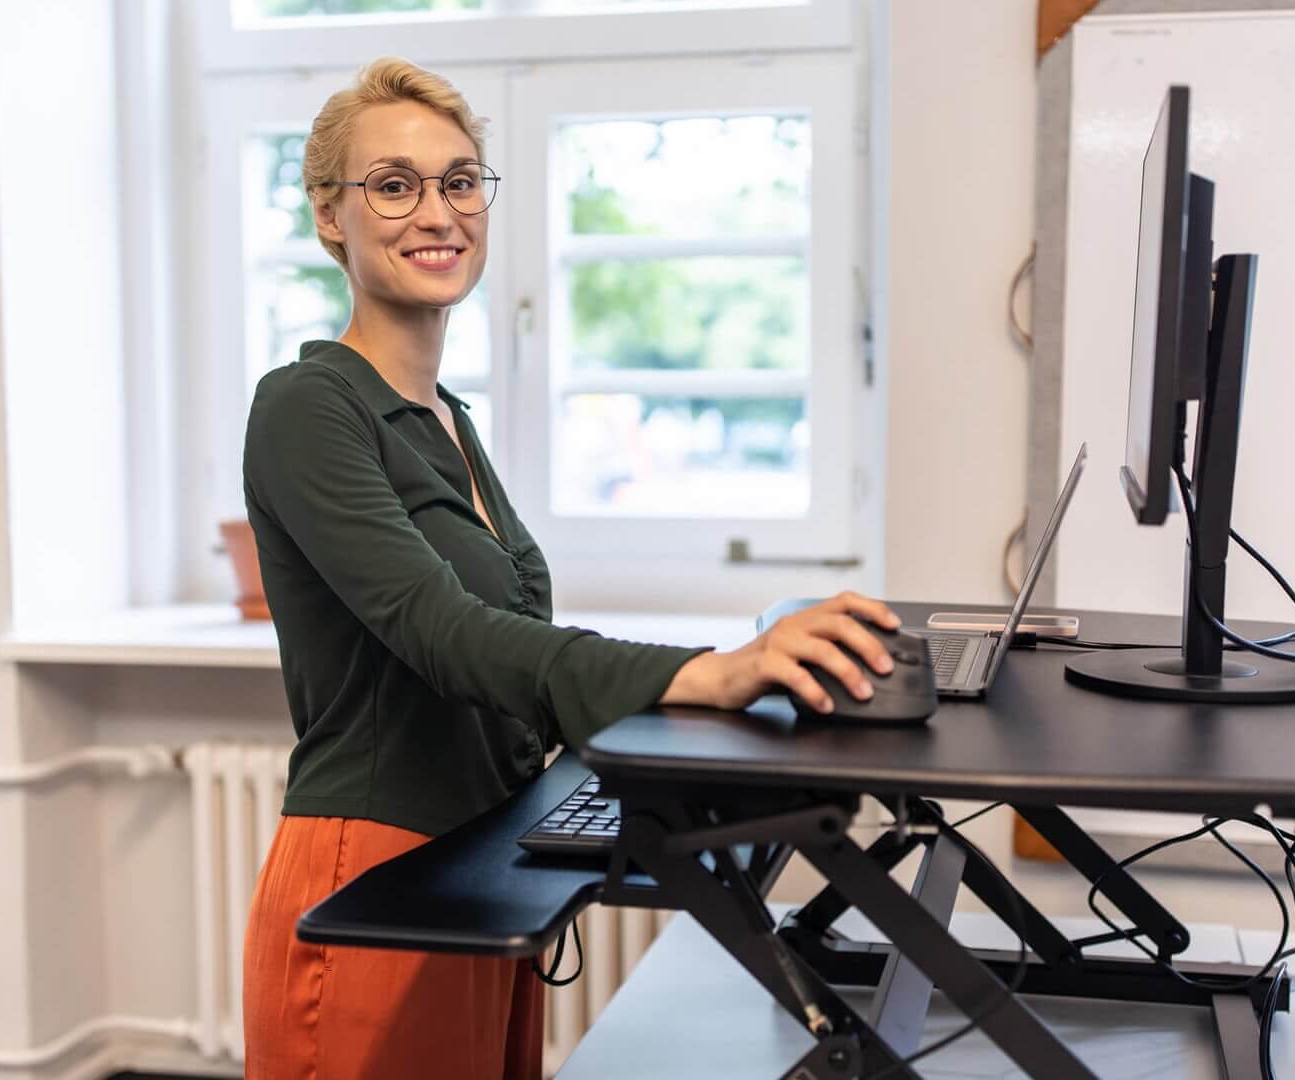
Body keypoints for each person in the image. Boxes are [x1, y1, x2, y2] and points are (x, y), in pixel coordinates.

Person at [240, 57, 899, 1079]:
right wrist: (712, 670)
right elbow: (447, 634)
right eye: (394, 184)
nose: (438, 211)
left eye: (461, 181)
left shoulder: (446, 420)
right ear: (331, 215)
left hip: (478, 868)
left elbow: (511, 656)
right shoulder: (307, 406)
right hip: (374, 873)